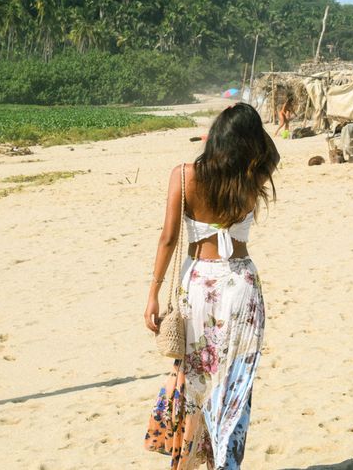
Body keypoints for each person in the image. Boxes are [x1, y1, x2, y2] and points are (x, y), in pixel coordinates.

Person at [143, 103, 280, 469]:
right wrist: (248, 131)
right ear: (250, 142)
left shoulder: (186, 176)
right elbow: (272, 151)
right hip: (241, 286)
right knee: (235, 382)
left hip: (200, 285)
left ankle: (189, 460)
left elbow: (168, 239)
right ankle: (225, 463)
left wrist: (153, 294)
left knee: (195, 379)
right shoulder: (254, 174)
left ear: (215, 136)